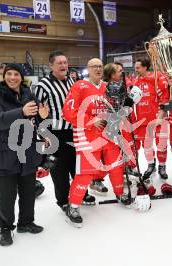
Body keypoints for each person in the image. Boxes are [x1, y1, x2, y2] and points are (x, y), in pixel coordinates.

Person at [62, 60, 148, 227]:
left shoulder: (108, 86)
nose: (98, 69)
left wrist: (129, 104)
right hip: (86, 135)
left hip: (109, 133)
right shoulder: (79, 86)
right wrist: (89, 120)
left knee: (115, 165)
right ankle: (73, 206)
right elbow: (68, 111)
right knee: (86, 173)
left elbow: (118, 111)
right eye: (94, 66)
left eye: (100, 66)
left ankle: (119, 193)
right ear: (88, 69)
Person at [0, 64, 48, 246]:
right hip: (5, 153)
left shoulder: (28, 94)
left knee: (28, 192)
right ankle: (5, 228)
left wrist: (42, 117)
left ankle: (26, 222)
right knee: (6, 196)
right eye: (9, 74)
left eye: (16, 74)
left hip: (28, 152)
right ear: (4, 77)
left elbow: (35, 118)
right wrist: (20, 112)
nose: (13, 77)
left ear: (22, 77)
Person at [34, 51, 96, 211]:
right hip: (55, 134)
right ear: (51, 65)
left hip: (75, 132)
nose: (63, 65)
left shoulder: (73, 82)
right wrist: (43, 135)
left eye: (65, 62)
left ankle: (81, 193)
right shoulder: (42, 86)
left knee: (79, 167)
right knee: (59, 170)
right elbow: (36, 113)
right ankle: (63, 200)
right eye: (59, 63)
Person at [131, 59, 170, 180]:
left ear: (145, 67)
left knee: (161, 145)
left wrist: (161, 116)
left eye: (138, 67)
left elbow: (165, 97)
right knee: (147, 146)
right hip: (143, 120)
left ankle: (162, 166)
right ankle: (150, 165)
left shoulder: (157, 77)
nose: (135, 70)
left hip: (158, 118)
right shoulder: (135, 80)